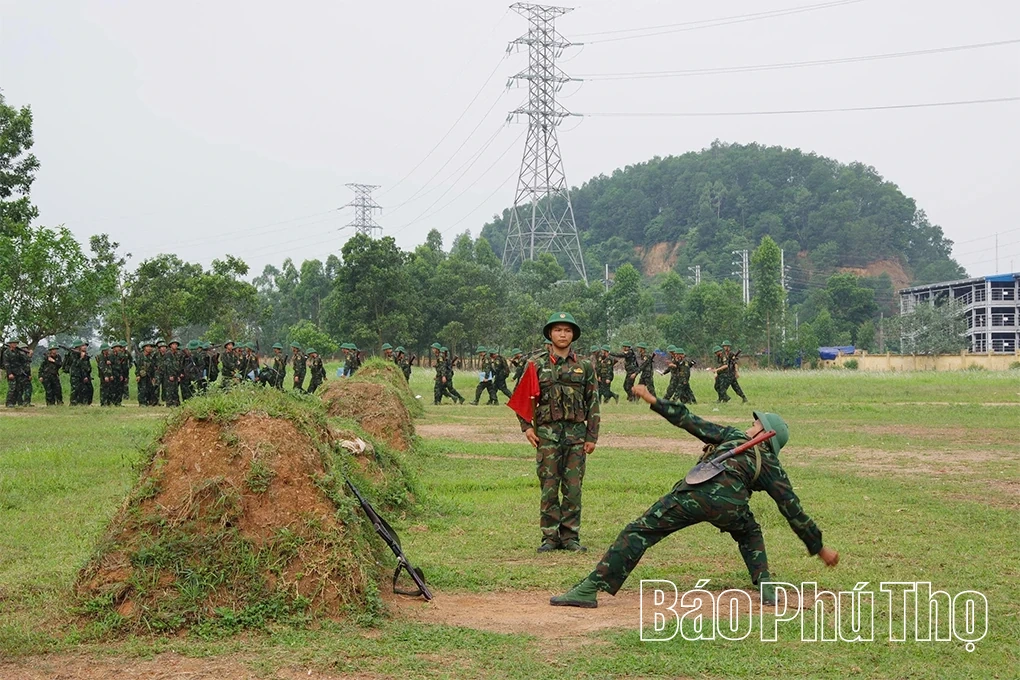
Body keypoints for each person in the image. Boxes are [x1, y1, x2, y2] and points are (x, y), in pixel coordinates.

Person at [549, 383, 839, 608]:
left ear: (764, 432)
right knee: (749, 531)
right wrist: (819, 547)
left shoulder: (733, 436)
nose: (750, 425)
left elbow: (690, 421)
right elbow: (793, 510)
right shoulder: (772, 467)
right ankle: (765, 585)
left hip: (693, 494)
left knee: (640, 531)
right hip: (732, 506)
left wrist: (654, 401)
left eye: (755, 424)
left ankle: (590, 588)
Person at [510, 312, 600, 553]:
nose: (563, 334)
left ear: (573, 335)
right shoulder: (535, 365)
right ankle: (550, 537)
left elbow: (593, 403)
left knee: (572, 488)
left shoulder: (585, 367)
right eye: (558, 330)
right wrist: (527, 427)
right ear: (550, 334)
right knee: (549, 486)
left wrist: (592, 437)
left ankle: (570, 536)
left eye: (567, 330)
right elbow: (521, 398)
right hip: (547, 437)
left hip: (576, 438)